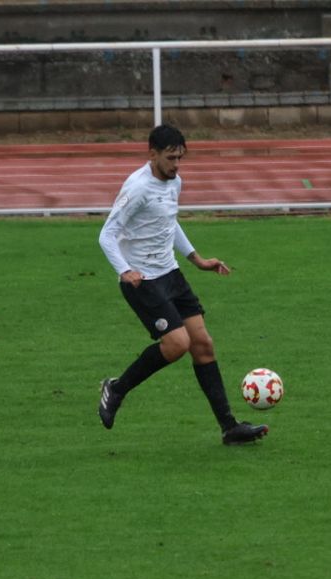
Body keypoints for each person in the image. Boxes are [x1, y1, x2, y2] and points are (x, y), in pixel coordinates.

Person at [96, 124, 266, 445]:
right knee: (177, 344)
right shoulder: (137, 188)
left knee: (203, 345)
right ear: (152, 154)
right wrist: (124, 269)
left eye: (180, 158)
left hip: (171, 274)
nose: (176, 165)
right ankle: (115, 389)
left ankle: (229, 427)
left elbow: (168, 223)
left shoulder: (174, 183)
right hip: (142, 280)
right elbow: (106, 234)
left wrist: (197, 260)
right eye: (171, 158)